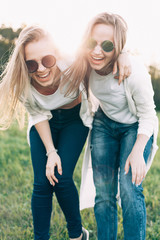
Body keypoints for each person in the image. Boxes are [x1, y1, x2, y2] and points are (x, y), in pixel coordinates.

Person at [0, 25, 131, 240]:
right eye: (31, 63)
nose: (41, 69)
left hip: (74, 121)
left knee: (61, 178)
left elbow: (102, 55)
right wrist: (51, 151)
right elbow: (38, 115)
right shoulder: (22, 81)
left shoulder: (73, 63)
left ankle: (77, 235)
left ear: (57, 55)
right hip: (44, 122)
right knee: (42, 183)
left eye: (47, 60)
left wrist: (124, 54)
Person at [62, 12, 159, 240]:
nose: (97, 51)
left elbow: (148, 116)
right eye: (91, 43)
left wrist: (137, 151)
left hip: (135, 128)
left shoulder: (133, 73)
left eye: (107, 45)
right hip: (104, 124)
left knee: (129, 189)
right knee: (104, 193)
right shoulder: (83, 64)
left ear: (118, 47)